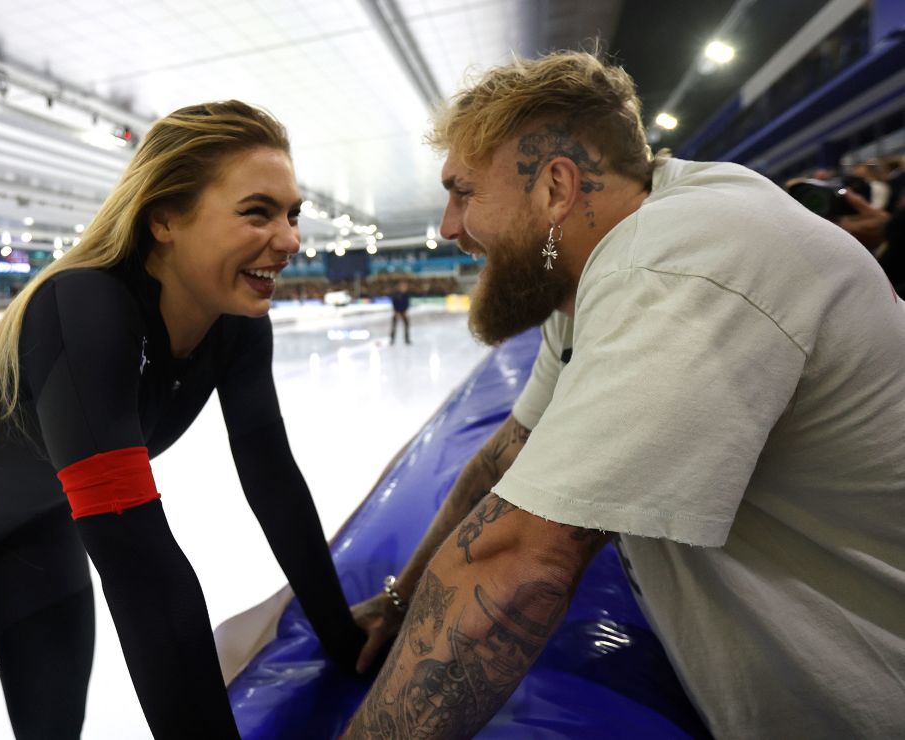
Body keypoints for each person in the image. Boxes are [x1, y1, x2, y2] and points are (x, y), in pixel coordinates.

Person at [345, 51, 905, 738]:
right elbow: (505, 459)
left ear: (555, 187)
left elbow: (521, 560)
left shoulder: (671, 264)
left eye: (463, 193)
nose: (448, 227)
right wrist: (400, 600)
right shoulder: (600, 258)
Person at [0, 100, 364, 739]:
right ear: (165, 220)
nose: (292, 238)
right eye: (257, 211)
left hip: (35, 529)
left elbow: (273, 482)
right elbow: (138, 561)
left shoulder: (238, 326)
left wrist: (345, 639)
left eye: (292, 214)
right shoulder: (86, 308)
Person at [389, 279, 411, 344]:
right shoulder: (396, 294)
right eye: (403, 286)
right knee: (394, 326)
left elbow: (407, 303)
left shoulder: (406, 294)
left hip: (403, 312)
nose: (404, 287)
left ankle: (407, 339)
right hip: (397, 312)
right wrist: (396, 312)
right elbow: (394, 303)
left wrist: (405, 311)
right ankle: (392, 340)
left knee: (406, 325)